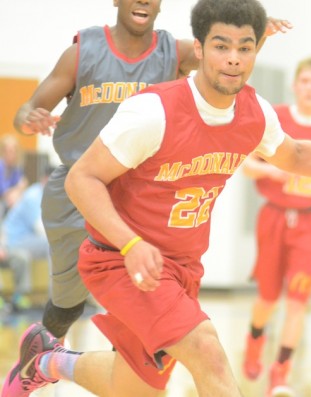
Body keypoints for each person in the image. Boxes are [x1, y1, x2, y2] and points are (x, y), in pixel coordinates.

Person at [1, 0, 311, 396]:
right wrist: (130, 243)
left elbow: (298, 155)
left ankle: (46, 360)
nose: (234, 59)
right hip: (121, 259)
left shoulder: (254, 113)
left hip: (182, 267)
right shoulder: (154, 110)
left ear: (257, 50)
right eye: (222, 46)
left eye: (245, 47)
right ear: (199, 49)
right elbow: (81, 180)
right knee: (207, 349)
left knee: (135, 388)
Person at [11, 0, 291, 348]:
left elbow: (224, 56)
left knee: (140, 312)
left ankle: (122, 374)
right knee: (68, 304)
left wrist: (253, 28)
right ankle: (38, 361)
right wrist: (28, 117)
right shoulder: (82, 52)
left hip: (140, 191)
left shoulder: (173, 52)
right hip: (80, 185)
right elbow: (26, 109)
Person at [241, 56, 311, 396]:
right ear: (295, 85)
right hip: (274, 216)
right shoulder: (277, 118)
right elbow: (247, 166)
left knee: (298, 300)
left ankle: (280, 371)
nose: (310, 88)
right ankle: (255, 339)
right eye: (305, 82)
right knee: (268, 299)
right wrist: (275, 171)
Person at [0, 165, 53, 312]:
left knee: (55, 244)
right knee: (52, 244)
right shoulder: (33, 195)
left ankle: (55, 297)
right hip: (14, 241)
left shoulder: (47, 195)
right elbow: (40, 228)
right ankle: (54, 298)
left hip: (26, 239)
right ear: (45, 179)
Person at [0, 135, 27, 217]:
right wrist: (17, 189)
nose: (13, 154)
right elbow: (3, 190)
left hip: (9, 201)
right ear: (3, 151)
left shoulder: (16, 167)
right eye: (10, 151)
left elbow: (23, 184)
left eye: (15, 151)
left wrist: (18, 189)